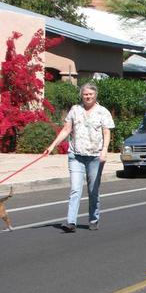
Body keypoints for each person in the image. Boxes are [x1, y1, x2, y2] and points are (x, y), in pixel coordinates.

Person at [44, 83, 114, 233]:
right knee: (75, 189)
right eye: (85, 94)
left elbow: (106, 133)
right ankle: (71, 222)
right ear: (81, 95)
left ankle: (93, 219)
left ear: (95, 95)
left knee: (93, 190)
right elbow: (66, 130)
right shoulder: (75, 110)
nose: (88, 97)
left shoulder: (103, 112)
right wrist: (52, 145)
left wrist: (105, 150)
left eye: (90, 94)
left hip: (95, 156)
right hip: (76, 155)